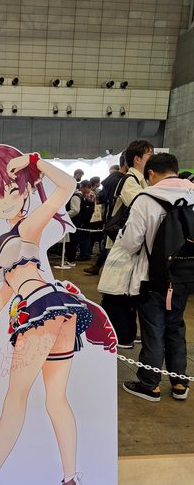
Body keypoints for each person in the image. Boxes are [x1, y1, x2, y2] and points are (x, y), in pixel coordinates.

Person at [0, 145, 115, 485]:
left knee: (16, 399)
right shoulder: (9, 239)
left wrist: (34, 161)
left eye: (13, 189)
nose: (5, 201)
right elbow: (6, 287)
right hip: (57, 312)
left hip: (43, 310)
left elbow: (66, 187)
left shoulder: (29, 226)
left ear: (26, 187)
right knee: (55, 399)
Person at [121, 153, 193, 402]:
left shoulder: (146, 198)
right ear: (176, 170)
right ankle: (179, 382)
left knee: (153, 328)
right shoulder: (193, 195)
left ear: (150, 173)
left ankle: (149, 384)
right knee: (176, 326)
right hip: (184, 276)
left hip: (152, 277)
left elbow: (131, 243)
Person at [101, 140, 153, 348]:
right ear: (137, 159)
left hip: (130, 245)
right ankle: (120, 334)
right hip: (122, 245)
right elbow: (143, 208)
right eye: (149, 155)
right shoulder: (130, 181)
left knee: (127, 291)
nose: (153, 158)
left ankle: (126, 332)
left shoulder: (141, 181)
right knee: (117, 292)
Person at [84, 153, 127, 276]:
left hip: (111, 218)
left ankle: (99, 267)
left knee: (108, 244)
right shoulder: (119, 180)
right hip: (114, 219)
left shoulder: (112, 181)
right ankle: (103, 269)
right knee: (109, 244)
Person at [65, 180, 94, 263]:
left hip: (74, 222)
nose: (89, 190)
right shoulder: (80, 196)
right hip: (78, 222)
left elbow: (75, 210)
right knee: (73, 242)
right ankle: (71, 259)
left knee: (71, 242)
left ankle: (70, 260)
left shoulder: (77, 196)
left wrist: (65, 216)